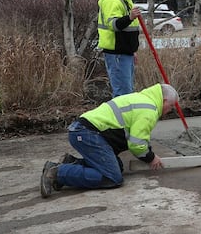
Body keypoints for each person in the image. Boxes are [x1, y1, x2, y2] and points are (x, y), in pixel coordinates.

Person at [39, 83, 179, 197]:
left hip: (84, 131)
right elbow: (136, 144)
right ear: (164, 100)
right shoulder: (150, 109)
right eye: (171, 106)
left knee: (117, 167)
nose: (170, 110)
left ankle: (71, 163)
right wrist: (151, 158)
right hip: (87, 133)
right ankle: (58, 173)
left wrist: (148, 153)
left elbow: (137, 136)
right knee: (112, 177)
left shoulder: (142, 99)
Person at [98, 0, 142, 97]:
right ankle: (119, 117)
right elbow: (114, 24)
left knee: (127, 92)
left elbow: (129, 29)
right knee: (122, 94)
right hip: (117, 53)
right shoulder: (113, 0)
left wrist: (132, 50)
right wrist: (130, 17)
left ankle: (124, 116)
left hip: (125, 53)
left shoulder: (125, 0)